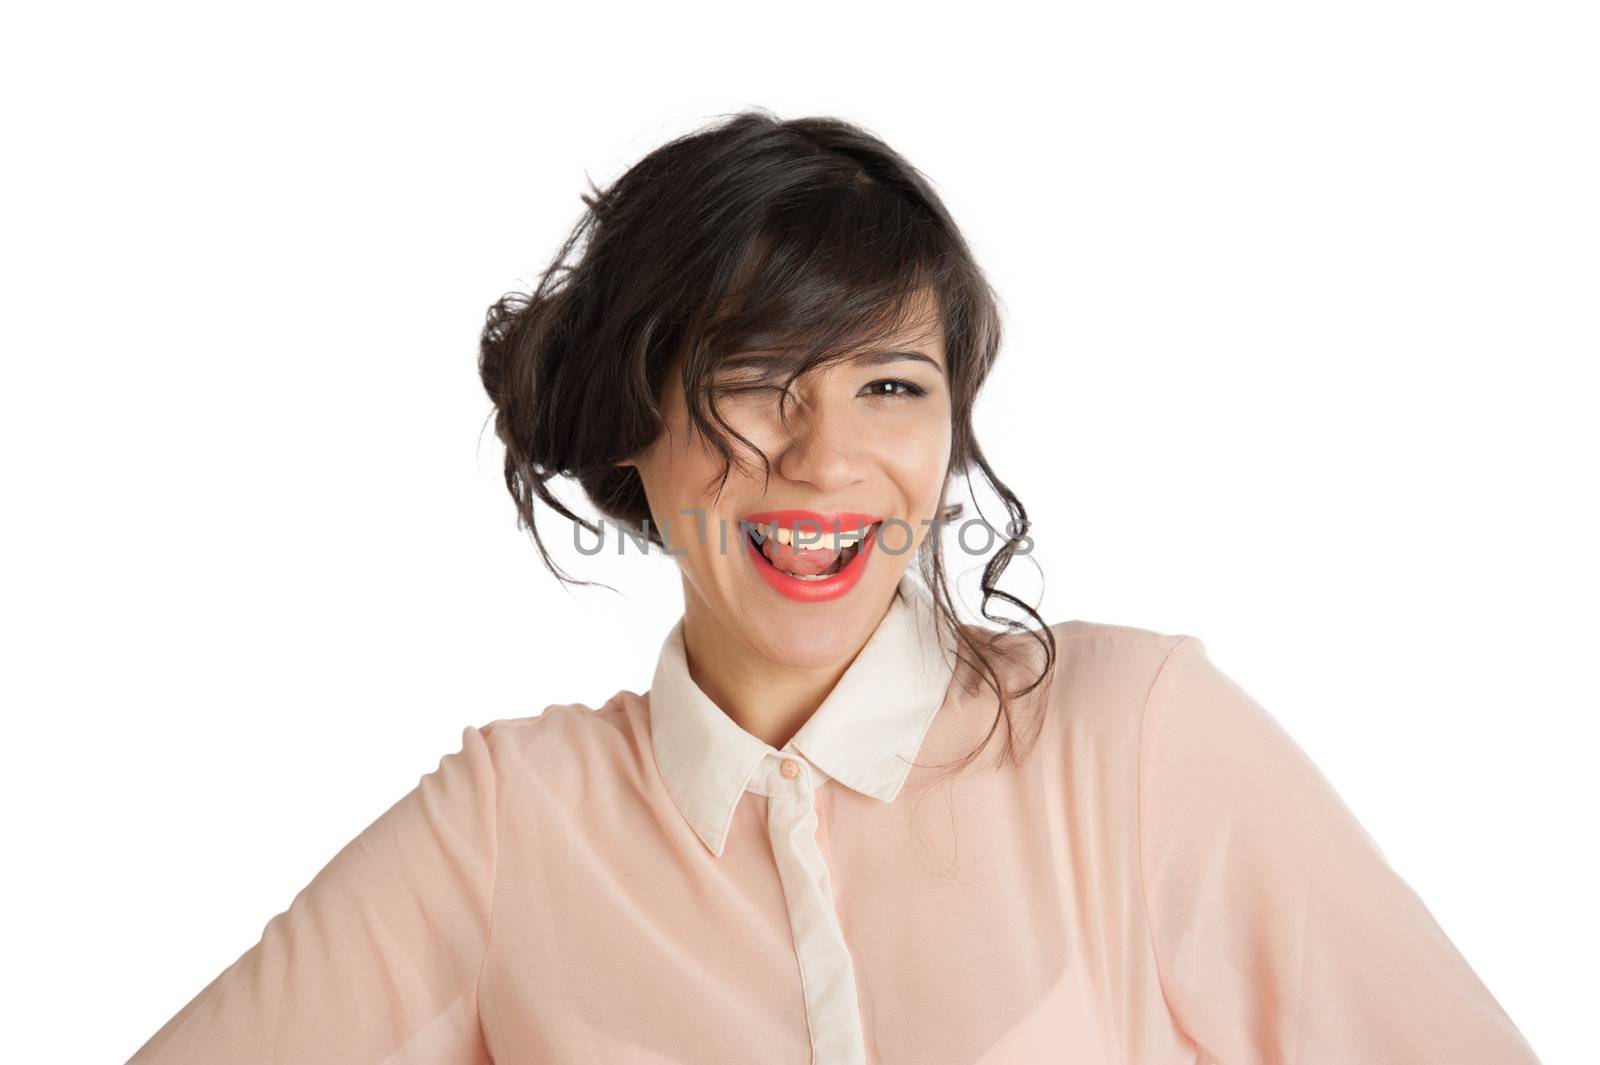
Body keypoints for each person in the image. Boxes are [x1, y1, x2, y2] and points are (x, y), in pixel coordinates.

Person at [126, 109, 1542, 1064]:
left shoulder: (1134, 737)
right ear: (636, 419)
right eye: (754, 381)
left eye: (889, 383)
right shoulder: (508, 826)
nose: (827, 460)